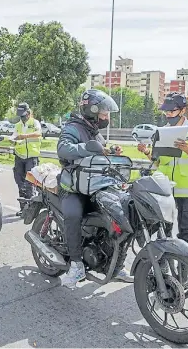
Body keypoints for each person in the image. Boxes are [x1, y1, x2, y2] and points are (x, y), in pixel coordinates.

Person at [56, 88, 133, 289]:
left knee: (117, 213)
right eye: (104, 113)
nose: (107, 117)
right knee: (73, 215)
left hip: (94, 184)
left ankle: (115, 265)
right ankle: (76, 265)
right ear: (92, 110)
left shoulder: (94, 131)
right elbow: (63, 149)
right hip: (73, 187)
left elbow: (98, 152)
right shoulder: (72, 128)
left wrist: (110, 150)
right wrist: (85, 148)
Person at [137, 92, 188, 249]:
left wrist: (187, 149)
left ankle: (186, 271)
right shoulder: (161, 131)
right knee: (164, 233)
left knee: (186, 235)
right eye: (166, 111)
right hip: (166, 189)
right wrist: (147, 152)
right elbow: (158, 162)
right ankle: (163, 270)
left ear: (182, 110)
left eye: (171, 111)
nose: (168, 114)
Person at [10, 102, 42, 216]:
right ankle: (23, 208)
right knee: (20, 183)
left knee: (30, 183)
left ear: (29, 113)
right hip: (19, 156)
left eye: (23, 115)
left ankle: (32, 210)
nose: (22, 118)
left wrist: (24, 136)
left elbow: (38, 133)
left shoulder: (35, 123)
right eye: (20, 116)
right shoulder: (18, 125)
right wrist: (13, 140)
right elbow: (14, 136)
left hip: (31, 157)